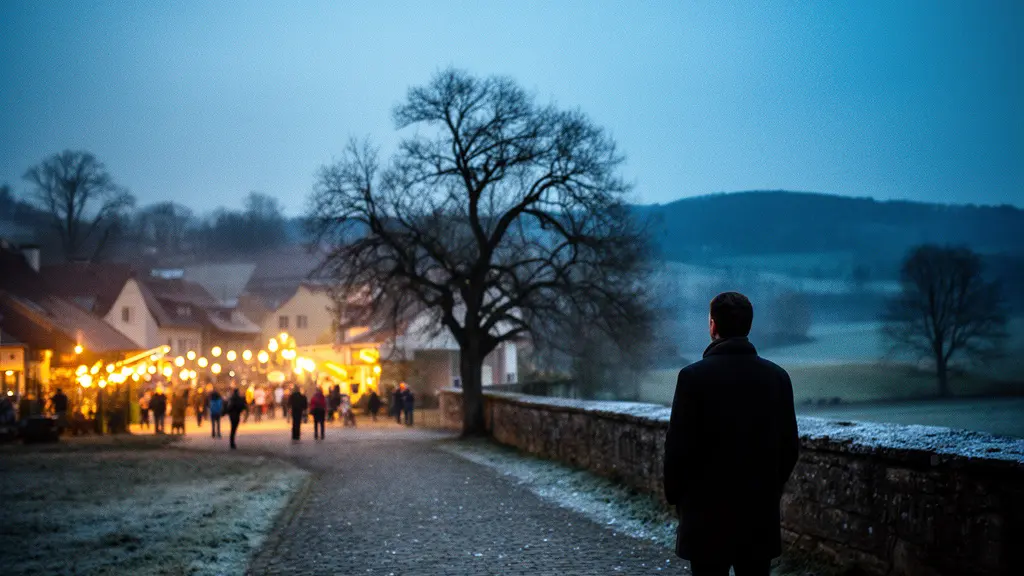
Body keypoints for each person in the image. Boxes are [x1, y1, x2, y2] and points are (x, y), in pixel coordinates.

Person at [663, 292, 800, 576]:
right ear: (748, 326)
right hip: (758, 513)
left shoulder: (693, 377)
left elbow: (678, 448)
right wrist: (770, 488)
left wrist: (677, 496)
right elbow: (789, 448)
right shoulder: (777, 377)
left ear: (713, 326)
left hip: (705, 514)